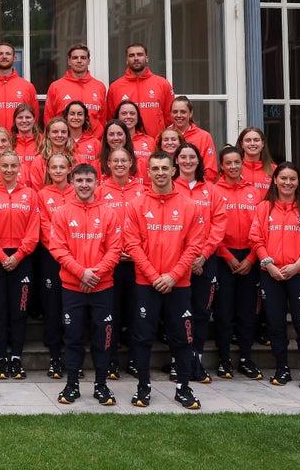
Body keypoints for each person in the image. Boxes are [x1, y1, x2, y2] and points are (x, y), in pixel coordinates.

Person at [123, 152, 204, 410]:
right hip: (146, 283)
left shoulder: (189, 205)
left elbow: (194, 246)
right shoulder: (136, 205)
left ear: (173, 171)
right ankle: (143, 387)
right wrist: (153, 275)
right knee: (143, 337)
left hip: (178, 284)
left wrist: (172, 275)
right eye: (155, 168)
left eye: (164, 168)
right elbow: (132, 244)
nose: (160, 173)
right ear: (148, 172)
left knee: (182, 337)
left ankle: (183, 388)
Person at [50, 163, 122, 406]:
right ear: (72, 182)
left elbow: (115, 249)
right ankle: (72, 385)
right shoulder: (61, 213)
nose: (84, 185)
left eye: (88, 180)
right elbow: (58, 249)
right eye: (79, 180)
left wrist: (95, 274)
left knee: (103, 338)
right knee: (73, 337)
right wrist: (82, 273)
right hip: (73, 287)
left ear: (96, 183)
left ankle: (101, 385)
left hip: (103, 287)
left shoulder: (109, 213)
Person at [250, 162, 300, 390]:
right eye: (283, 178)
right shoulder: (264, 208)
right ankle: (281, 368)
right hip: (271, 275)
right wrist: (269, 264)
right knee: (275, 324)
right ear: (275, 180)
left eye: (292, 179)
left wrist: (297, 266)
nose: (287, 183)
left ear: (299, 182)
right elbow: (256, 239)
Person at [0, 150, 40, 380]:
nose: (9, 170)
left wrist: (18, 255)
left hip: (22, 259)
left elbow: (34, 231)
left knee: (19, 310)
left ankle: (16, 356)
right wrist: (0, 254)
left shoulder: (30, 194)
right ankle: (1, 357)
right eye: (4, 166)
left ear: (19, 168)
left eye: (13, 166)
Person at [211, 145, 263, 380]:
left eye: (236, 162)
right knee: (223, 312)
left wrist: (251, 257)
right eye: (228, 163)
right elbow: (211, 228)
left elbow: (262, 227)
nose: (233, 166)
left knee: (247, 312)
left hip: (250, 257)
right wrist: (228, 256)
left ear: (242, 163)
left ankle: (245, 358)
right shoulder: (214, 191)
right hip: (224, 257)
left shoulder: (254, 191)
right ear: (221, 166)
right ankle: (224, 360)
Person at [175, 143, 224, 384]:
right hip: (177, 261)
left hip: (205, 260)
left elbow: (218, 226)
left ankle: (197, 359)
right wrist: (186, 258)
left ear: (198, 161)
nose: (187, 161)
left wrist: (203, 255)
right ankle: (179, 361)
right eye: (182, 157)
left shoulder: (212, 191)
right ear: (176, 161)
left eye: (191, 157)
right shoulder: (170, 188)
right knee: (178, 313)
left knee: (202, 312)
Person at [96, 147, 143, 379]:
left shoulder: (142, 191)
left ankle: (134, 359)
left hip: (136, 262)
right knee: (110, 314)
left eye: (124, 160)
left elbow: (146, 227)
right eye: (115, 161)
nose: (120, 164)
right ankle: (111, 360)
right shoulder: (100, 191)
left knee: (136, 314)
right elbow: (95, 225)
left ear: (131, 162)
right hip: (110, 263)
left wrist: (134, 251)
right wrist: (113, 253)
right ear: (108, 164)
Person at [36, 153, 75, 379]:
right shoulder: (42, 195)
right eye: (54, 167)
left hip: (76, 258)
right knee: (52, 307)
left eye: (62, 167)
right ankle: (54, 357)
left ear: (69, 169)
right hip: (51, 257)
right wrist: (60, 252)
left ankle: (73, 358)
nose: (58, 171)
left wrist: (71, 253)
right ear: (48, 170)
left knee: (72, 308)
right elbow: (44, 227)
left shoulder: (77, 191)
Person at [107, 44, 174, 138]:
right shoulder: (115, 87)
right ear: (126, 60)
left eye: (139, 54)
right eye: (131, 55)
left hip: (156, 142)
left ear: (147, 58)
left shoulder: (162, 84)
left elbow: (169, 118)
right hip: (126, 143)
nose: (136, 58)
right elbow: (111, 119)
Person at [44, 44, 107, 136]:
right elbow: (49, 119)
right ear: (69, 61)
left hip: (93, 142)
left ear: (88, 61)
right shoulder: (56, 87)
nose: (79, 61)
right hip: (64, 141)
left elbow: (103, 119)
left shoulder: (99, 87)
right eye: (75, 58)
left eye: (83, 58)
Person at [0, 42, 37, 131]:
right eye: (0, 54)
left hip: (19, 138)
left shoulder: (27, 87)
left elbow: (35, 116)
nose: (4, 56)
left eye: (8, 54)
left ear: (14, 58)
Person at [170, 96, 217, 182]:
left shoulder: (204, 137)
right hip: (171, 188)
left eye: (183, 112)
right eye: (175, 112)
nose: (179, 115)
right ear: (170, 114)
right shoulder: (163, 136)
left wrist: (200, 187)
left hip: (197, 186)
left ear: (190, 113)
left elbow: (210, 170)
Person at [237, 126, 275, 195]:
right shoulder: (234, 169)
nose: (252, 143)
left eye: (256, 140)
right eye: (248, 140)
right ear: (242, 144)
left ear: (262, 144)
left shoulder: (274, 169)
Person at [64, 101, 100, 168]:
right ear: (66, 117)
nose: (76, 117)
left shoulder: (95, 143)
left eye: (80, 114)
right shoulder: (61, 141)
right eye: (72, 114)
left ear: (85, 117)